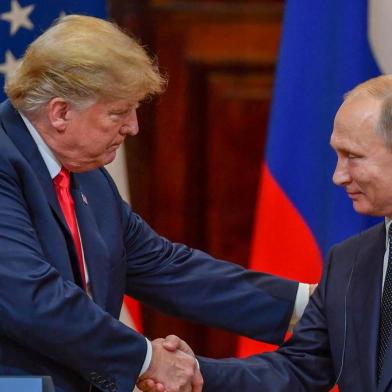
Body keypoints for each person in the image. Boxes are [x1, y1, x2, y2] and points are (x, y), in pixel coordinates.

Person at [0, 15, 313, 392]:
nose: (133, 127)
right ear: (61, 112)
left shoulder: (87, 175)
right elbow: (32, 298)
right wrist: (147, 359)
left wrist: (305, 303)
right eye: (118, 113)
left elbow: (166, 266)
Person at [159, 74, 392, 392]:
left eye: (353, 157)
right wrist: (192, 372)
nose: (338, 176)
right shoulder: (350, 261)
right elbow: (299, 368)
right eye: (337, 156)